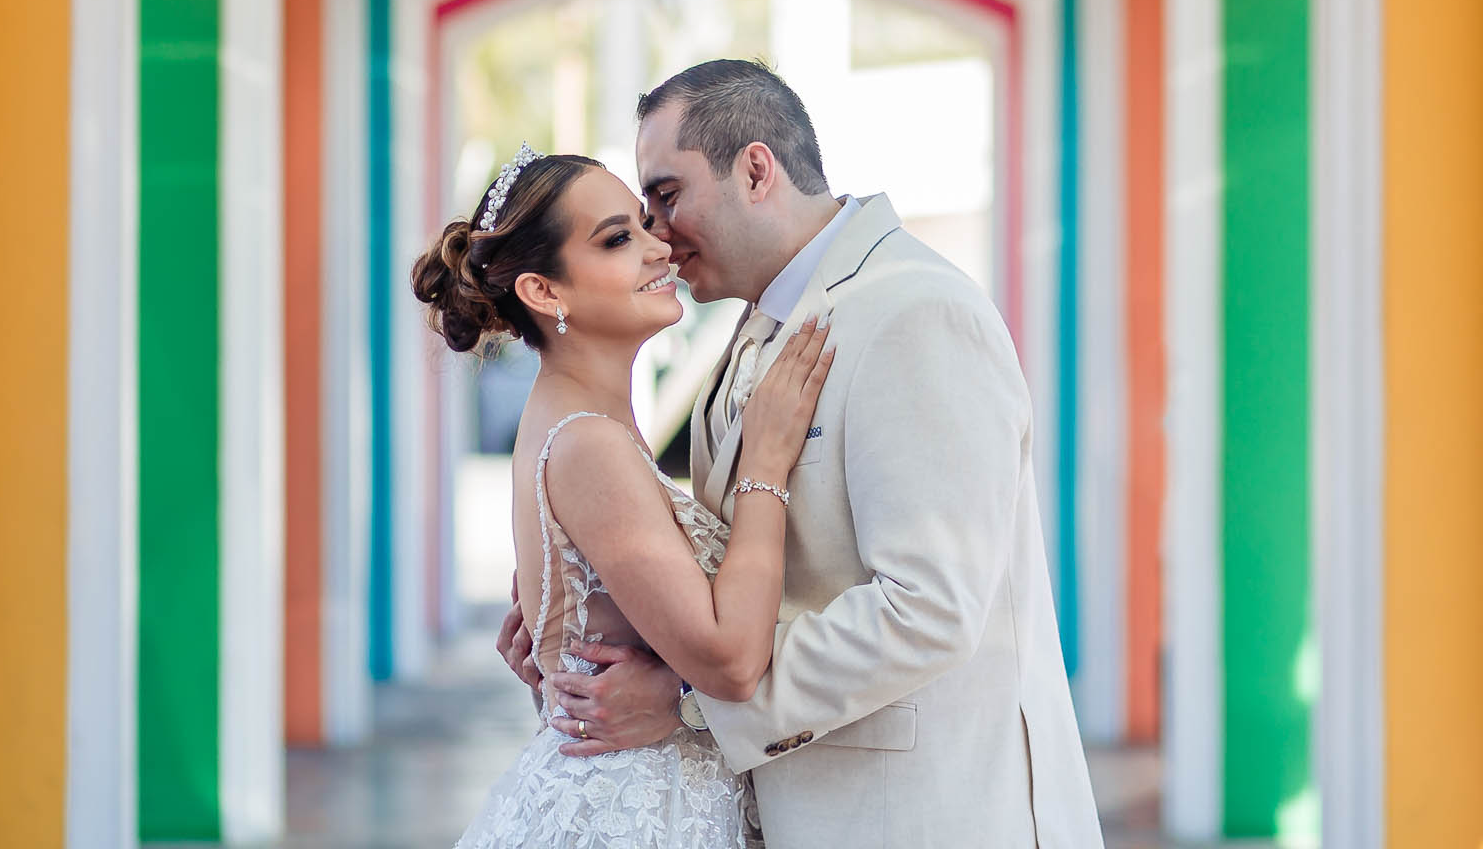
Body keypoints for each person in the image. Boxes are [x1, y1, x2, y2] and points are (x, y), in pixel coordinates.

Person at [495, 60, 1105, 849]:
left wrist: (688, 701)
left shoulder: (915, 313)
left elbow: (930, 608)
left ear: (755, 170)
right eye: (636, 219)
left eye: (667, 197)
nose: (659, 237)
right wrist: (583, 631)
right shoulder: (747, 335)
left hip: (916, 820)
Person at [413, 144, 834, 848]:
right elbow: (730, 659)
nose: (657, 247)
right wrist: (765, 464)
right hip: (632, 814)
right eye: (617, 239)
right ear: (545, 293)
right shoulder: (586, 444)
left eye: (644, 224)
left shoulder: (586, 426)